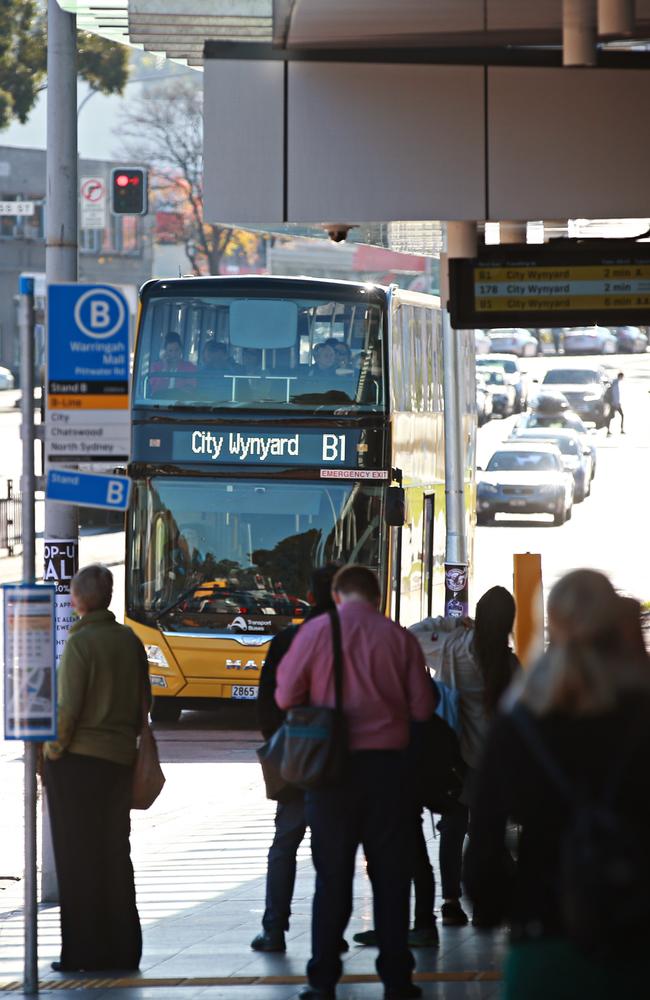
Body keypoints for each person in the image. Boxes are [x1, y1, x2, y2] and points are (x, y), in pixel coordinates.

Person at [464, 570, 650, 999]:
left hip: (544, 936)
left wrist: (501, 906)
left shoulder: (522, 723)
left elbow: (484, 840)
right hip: (638, 937)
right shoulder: (641, 714)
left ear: (554, 624)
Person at [276, 565, 435, 1000]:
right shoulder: (398, 638)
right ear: (377, 595)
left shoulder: (315, 634)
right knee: (390, 878)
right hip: (388, 774)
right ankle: (398, 981)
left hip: (330, 773)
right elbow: (423, 707)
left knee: (332, 879)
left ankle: (322, 980)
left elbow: (285, 695)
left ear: (337, 594)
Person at [43, 565, 149, 973]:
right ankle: (124, 948)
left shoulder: (81, 643)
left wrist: (53, 751)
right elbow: (146, 701)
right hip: (120, 760)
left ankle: (83, 951)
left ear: (78, 599)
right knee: (114, 854)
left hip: (79, 764)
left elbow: (67, 709)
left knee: (77, 858)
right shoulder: (130, 640)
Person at [409, 587, 519, 927]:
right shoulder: (510, 663)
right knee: (492, 830)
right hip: (496, 762)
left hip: (455, 757)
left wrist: (456, 622)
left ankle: (451, 901)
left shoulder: (453, 648)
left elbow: (412, 634)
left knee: (453, 830)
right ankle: (500, 896)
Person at [251, 565, 341, 954]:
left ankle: (274, 929)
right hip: (343, 759)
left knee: (285, 841)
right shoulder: (354, 636)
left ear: (311, 593)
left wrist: (282, 745)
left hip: (299, 756)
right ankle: (331, 934)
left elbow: (268, 704)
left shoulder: (289, 639)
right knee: (334, 849)